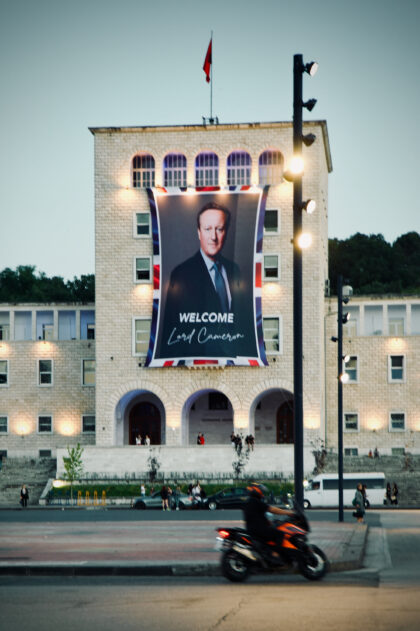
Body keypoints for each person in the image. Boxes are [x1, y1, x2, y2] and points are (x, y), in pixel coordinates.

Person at [242, 483, 294, 559]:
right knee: (280, 534)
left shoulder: (248, 502)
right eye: (261, 491)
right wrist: (288, 513)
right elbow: (272, 509)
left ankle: (268, 552)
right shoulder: (256, 501)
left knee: (272, 530)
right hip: (259, 529)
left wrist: (268, 522)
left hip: (252, 529)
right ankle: (276, 554)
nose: (262, 493)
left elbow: (257, 516)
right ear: (256, 490)